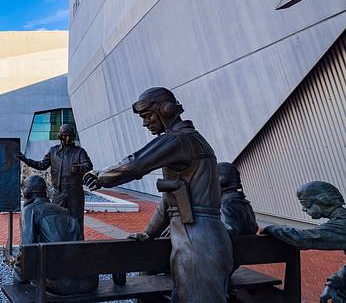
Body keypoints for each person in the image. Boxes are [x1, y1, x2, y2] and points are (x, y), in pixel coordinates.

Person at [84, 87, 232, 303]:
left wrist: (101, 176)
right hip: (198, 236)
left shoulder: (179, 140)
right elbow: (171, 200)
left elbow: (136, 163)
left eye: (147, 116)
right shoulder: (189, 140)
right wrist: (149, 233)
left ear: (166, 110)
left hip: (196, 240)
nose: (145, 123)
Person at [261, 181, 346, 302]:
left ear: (322, 200)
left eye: (305, 203)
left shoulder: (341, 225)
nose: (303, 209)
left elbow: (303, 239)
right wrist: (334, 282)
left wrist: (271, 228)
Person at [15, 175, 99, 295]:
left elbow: (27, 250)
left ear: (27, 192)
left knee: (19, 271)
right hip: (88, 283)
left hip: (59, 285)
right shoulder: (64, 210)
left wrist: (18, 266)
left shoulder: (30, 210)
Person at [18, 124, 93, 236]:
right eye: (65, 136)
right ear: (61, 137)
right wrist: (25, 159)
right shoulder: (53, 152)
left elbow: (88, 165)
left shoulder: (79, 152)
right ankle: (60, 243)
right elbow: (42, 165)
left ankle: (79, 244)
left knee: (77, 220)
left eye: (70, 136)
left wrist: (79, 167)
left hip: (75, 192)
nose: (68, 138)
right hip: (59, 192)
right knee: (57, 219)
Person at [218, 162, 258, 241]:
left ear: (221, 180)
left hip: (239, 251)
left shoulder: (226, 205)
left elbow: (228, 236)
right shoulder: (245, 203)